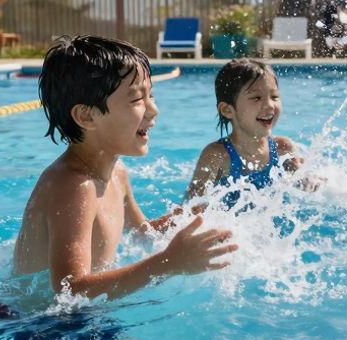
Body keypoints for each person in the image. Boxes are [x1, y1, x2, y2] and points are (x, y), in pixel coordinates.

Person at [14, 35, 236, 297]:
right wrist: (169, 263)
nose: (154, 110)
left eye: (150, 95)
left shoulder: (117, 173)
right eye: (136, 100)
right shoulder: (73, 187)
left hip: (75, 318)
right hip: (34, 325)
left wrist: (188, 217)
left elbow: (142, 233)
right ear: (87, 116)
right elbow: (70, 290)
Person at [185, 58, 304, 203]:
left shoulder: (283, 149)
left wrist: (312, 183)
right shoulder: (218, 156)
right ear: (227, 110)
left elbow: (303, 185)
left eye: (274, 96)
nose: (270, 105)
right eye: (256, 98)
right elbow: (190, 208)